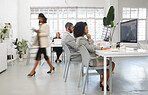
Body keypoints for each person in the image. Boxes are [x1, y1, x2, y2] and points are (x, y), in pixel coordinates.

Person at [74, 22, 115, 91]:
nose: (88, 30)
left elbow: (90, 46)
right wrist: (100, 47)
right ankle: (104, 82)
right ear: (82, 29)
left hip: (88, 61)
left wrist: (89, 40)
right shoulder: (81, 39)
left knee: (107, 63)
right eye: (86, 28)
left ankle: (102, 80)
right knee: (112, 64)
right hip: (92, 61)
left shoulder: (79, 39)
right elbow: (91, 48)